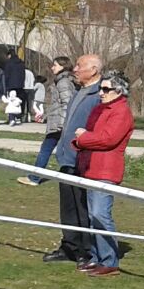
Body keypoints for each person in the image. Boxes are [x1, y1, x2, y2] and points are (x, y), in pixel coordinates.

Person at [73, 69, 135, 276]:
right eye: (101, 88)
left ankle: (109, 261)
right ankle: (96, 257)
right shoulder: (101, 109)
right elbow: (95, 136)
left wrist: (83, 138)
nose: (101, 92)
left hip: (106, 171)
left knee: (100, 214)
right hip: (91, 168)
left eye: (106, 89)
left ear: (119, 91)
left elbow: (108, 139)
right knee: (92, 216)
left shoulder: (121, 112)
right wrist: (81, 140)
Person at [43, 53, 103, 265]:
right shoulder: (79, 91)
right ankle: (69, 246)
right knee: (68, 207)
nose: (75, 69)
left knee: (82, 207)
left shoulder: (99, 95)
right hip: (67, 158)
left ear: (93, 70)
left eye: (79, 65)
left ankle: (85, 251)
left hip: (82, 160)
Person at [21, 56, 74, 186]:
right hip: (59, 122)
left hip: (59, 125)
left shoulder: (63, 82)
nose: (52, 67)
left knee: (46, 150)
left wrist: (61, 124)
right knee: (62, 152)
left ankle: (35, 178)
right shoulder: (63, 80)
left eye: (55, 65)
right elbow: (57, 105)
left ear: (63, 66)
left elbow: (67, 103)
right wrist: (46, 116)